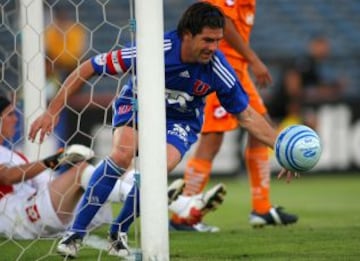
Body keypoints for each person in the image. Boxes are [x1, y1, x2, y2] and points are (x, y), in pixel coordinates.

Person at [28, 2, 296, 258]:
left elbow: (247, 116)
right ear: (187, 35)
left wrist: (281, 147)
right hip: (138, 105)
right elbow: (89, 67)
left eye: (217, 40)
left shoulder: (218, 67)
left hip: (181, 120)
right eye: (207, 40)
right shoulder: (155, 48)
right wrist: (52, 111)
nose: (214, 48)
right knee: (122, 156)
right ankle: (74, 233)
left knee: (158, 170)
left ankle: (118, 230)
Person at [169, 0, 297, 230]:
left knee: (260, 127)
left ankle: (261, 207)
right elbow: (223, 21)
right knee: (212, 139)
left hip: (239, 70)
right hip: (221, 69)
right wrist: (254, 59)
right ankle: (183, 215)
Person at [0, 96, 113, 239]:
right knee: (81, 172)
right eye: (9, 114)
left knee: (99, 176)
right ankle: (131, 195)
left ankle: (130, 192)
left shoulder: (15, 156)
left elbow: (44, 182)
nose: (15, 119)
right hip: (14, 216)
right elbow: (7, 176)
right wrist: (55, 160)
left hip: (30, 206)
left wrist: (61, 165)